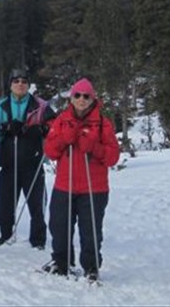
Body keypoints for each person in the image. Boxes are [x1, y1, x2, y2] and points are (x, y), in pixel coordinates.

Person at [43, 78, 120, 281]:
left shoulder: (102, 123)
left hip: (93, 187)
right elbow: (50, 151)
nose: (81, 100)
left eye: (86, 96)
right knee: (59, 226)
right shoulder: (62, 120)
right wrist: (63, 139)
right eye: (77, 95)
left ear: (92, 98)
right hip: (64, 185)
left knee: (91, 230)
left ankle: (91, 266)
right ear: (71, 98)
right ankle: (61, 261)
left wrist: (94, 147)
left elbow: (113, 156)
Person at [0, 67, 55, 249]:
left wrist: (43, 130)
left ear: (28, 85)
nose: (20, 84)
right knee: (5, 205)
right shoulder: (1, 106)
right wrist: (3, 128)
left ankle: (38, 239)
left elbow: (55, 126)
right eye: (16, 81)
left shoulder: (40, 105)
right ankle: (5, 233)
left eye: (24, 81)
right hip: (9, 163)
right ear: (10, 85)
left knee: (36, 204)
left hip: (33, 162)